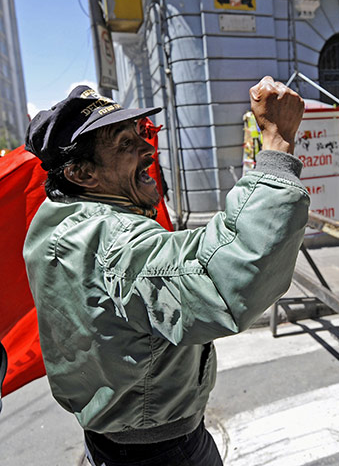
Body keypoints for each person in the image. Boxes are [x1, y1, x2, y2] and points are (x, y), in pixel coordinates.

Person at [22, 78, 309, 465]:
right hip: (162, 454)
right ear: (82, 175)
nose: (146, 148)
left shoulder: (60, 218)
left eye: (138, 133)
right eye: (125, 144)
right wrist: (277, 146)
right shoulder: (113, 240)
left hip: (110, 443)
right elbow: (224, 280)